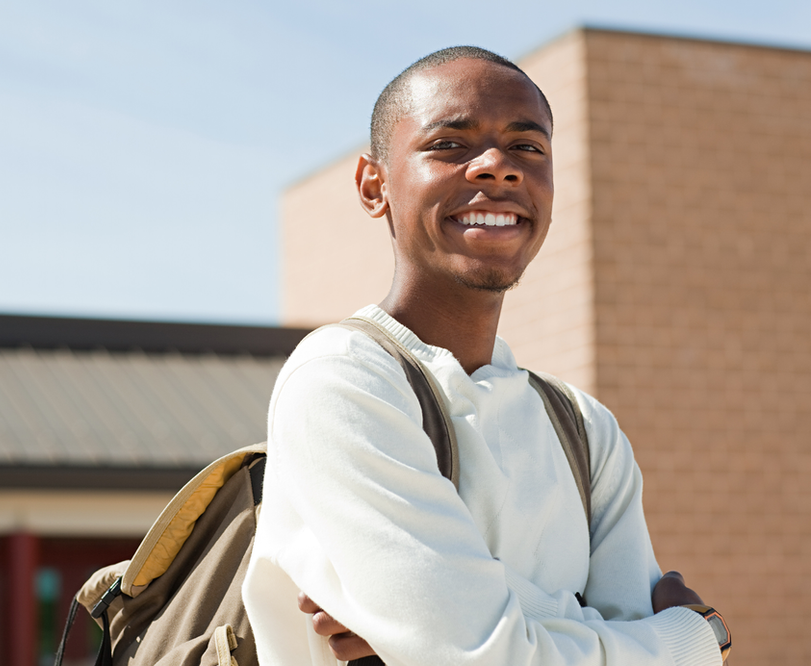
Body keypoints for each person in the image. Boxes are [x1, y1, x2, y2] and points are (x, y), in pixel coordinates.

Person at [241, 46, 729, 665]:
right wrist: (694, 639)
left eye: (528, 148)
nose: (497, 167)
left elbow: (478, 650)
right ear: (374, 185)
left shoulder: (583, 428)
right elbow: (488, 657)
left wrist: (474, 621)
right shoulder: (342, 382)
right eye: (450, 144)